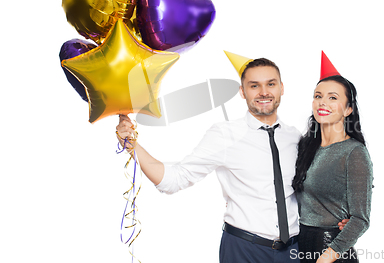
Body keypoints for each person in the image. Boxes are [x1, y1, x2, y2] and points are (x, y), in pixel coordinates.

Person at [117, 52, 348, 263]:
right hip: (244, 249)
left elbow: (311, 189)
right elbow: (173, 180)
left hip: (294, 251)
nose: (263, 92)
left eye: (270, 84)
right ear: (242, 91)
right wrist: (132, 146)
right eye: (254, 85)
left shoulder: (295, 137)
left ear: (281, 88)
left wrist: (340, 217)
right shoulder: (224, 135)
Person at [292, 52, 373, 263]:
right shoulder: (305, 146)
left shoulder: (354, 153)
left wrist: (326, 258)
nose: (322, 102)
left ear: (348, 110)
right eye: (318, 96)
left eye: (333, 98)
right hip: (300, 245)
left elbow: (360, 219)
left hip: (331, 250)